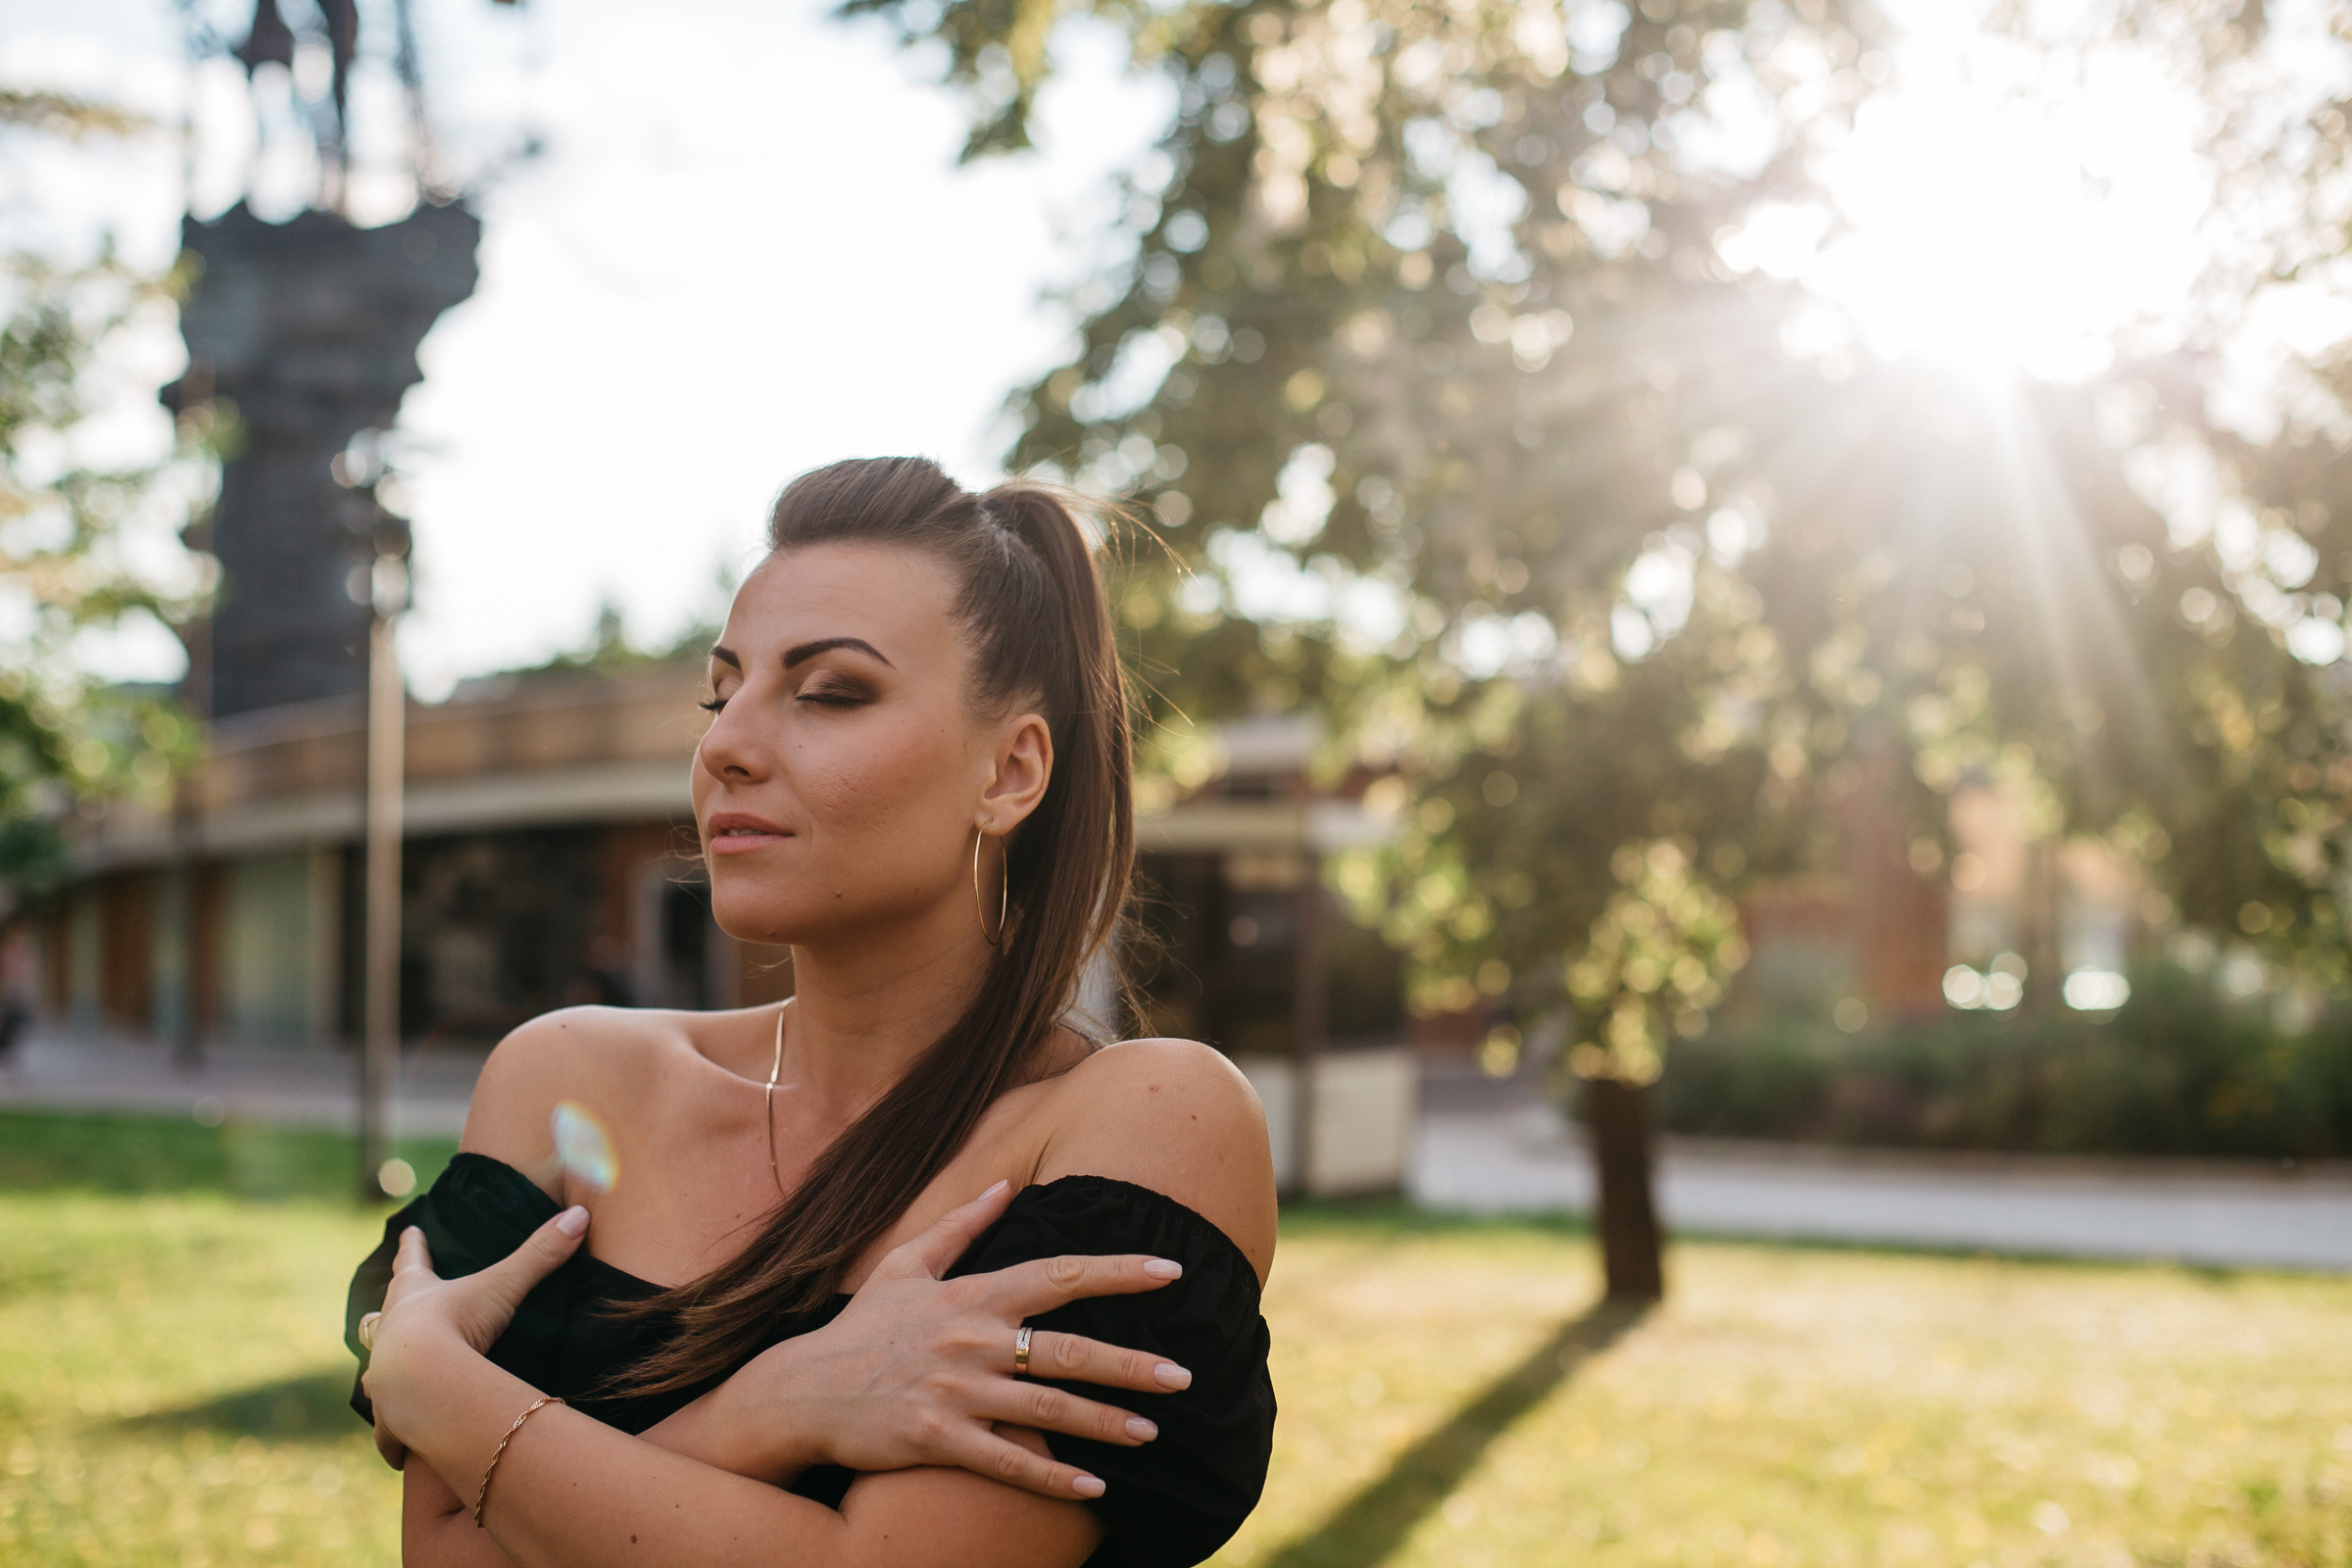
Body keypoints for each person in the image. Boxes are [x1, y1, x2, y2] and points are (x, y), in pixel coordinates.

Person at [345, 458, 1278, 1567]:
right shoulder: (564, 1077)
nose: (726, 746)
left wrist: (440, 1385)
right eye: (721, 690)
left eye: (830, 692)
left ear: (1011, 771)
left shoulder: (1143, 1120)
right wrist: (771, 1408)